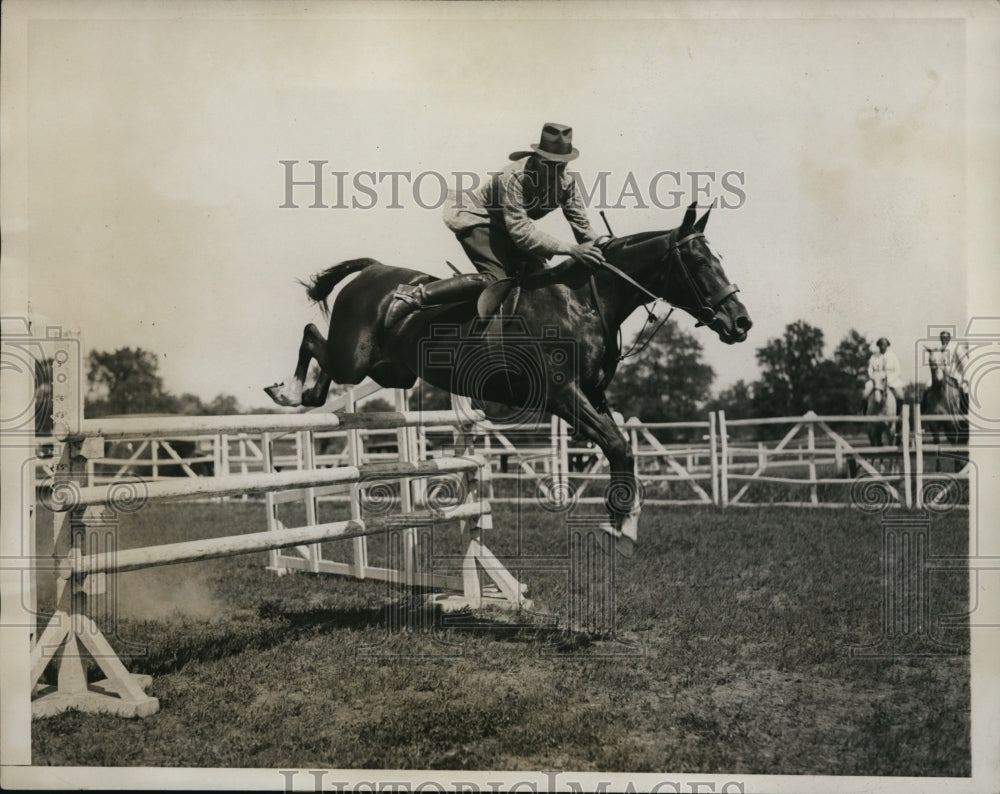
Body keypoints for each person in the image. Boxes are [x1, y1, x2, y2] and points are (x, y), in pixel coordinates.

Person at [385, 123, 610, 328]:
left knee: (541, 280)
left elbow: (582, 227)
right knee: (495, 279)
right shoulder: (514, 176)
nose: (555, 172)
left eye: (561, 166)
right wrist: (571, 249)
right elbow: (522, 233)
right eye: (550, 165)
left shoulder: (567, 182)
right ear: (538, 158)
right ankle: (415, 296)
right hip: (477, 219)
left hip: (506, 230)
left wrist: (607, 246)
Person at [861, 337, 904, 410]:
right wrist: (873, 378)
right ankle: (863, 413)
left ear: (887, 346)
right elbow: (870, 369)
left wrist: (890, 379)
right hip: (876, 379)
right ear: (878, 346)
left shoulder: (892, 356)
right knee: (865, 394)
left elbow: (898, 370)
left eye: (884, 345)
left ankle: (900, 415)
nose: (883, 347)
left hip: (891, 380)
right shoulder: (874, 356)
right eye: (881, 345)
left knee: (900, 396)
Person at [938, 330, 970, 411]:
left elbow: (965, 362)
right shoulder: (940, 350)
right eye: (942, 338)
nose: (943, 340)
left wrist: (965, 378)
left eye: (945, 338)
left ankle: (965, 412)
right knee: (929, 385)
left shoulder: (956, 347)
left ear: (949, 338)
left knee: (965, 390)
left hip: (956, 377)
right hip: (943, 377)